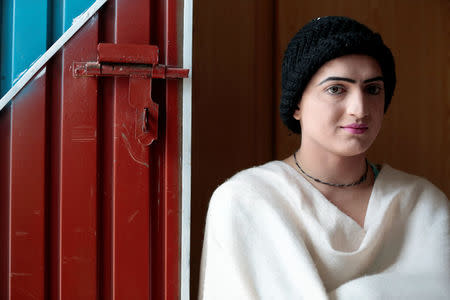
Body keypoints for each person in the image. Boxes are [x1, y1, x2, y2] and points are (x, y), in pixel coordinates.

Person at [198, 16, 449, 299]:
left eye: (372, 89)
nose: (359, 108)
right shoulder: (247, 201)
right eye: (336, 89)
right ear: (296, 105)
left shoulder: (424, 206)